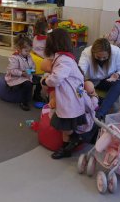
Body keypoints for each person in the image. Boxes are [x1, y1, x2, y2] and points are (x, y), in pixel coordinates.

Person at [40, 28, 87, 159]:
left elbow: (57, 78)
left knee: (63, 125)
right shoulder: (64, 58)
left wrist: (46, 81)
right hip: (69, 99)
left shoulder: (64, 60)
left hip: (70, 100)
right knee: (64, 126)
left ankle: (75, 139)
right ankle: (66, 148)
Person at [78, 38, 120, 119]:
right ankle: (98, 109)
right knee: (81, 83)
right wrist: (87, 84)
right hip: (93, 82)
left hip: (108, 80)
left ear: (109, 53)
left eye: (105, 57)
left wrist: (117, 75)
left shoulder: (116, 51)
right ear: (93, 52)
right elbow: (80, 72)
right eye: (98, 57)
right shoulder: (86, 53)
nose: (101, 59)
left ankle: (100, 113)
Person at [5, 34, 42, 111]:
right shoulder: (14, 57)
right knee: (27, 84)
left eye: (29, 51)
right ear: (19, 48)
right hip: (16, 78)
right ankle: (23, 102)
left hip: (27, 75)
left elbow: (32, 66)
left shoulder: (29, 56)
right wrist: (21, 73)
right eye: (26, 51)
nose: (28, 53)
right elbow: (11, 70)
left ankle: (36, 95)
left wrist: (32, 70)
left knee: (40, 80)